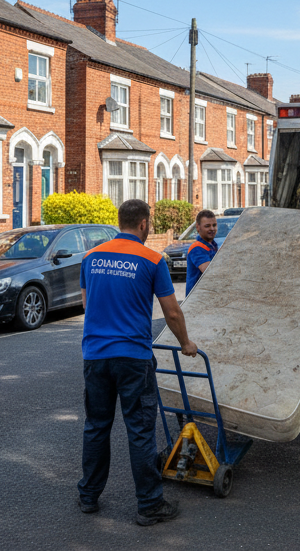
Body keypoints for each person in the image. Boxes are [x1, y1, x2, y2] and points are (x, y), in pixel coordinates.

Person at [78, 198, 198, 526]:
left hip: (96, 356)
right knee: (140, 430)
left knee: (96, 426)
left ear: (120, 222)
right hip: (133, 358)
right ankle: (149, 504)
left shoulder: (90, 257)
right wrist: (186, 343)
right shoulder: (152, 259)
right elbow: (172, 311)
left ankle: (88, 495)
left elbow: (89, 306)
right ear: (144, 224)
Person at [184, 210, 220, 296]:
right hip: (197, 300)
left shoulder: (213, 245)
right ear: (198, 227)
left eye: (214, 225)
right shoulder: (197, 248)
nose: (212, 229)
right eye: (207, 226)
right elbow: (210, 273)